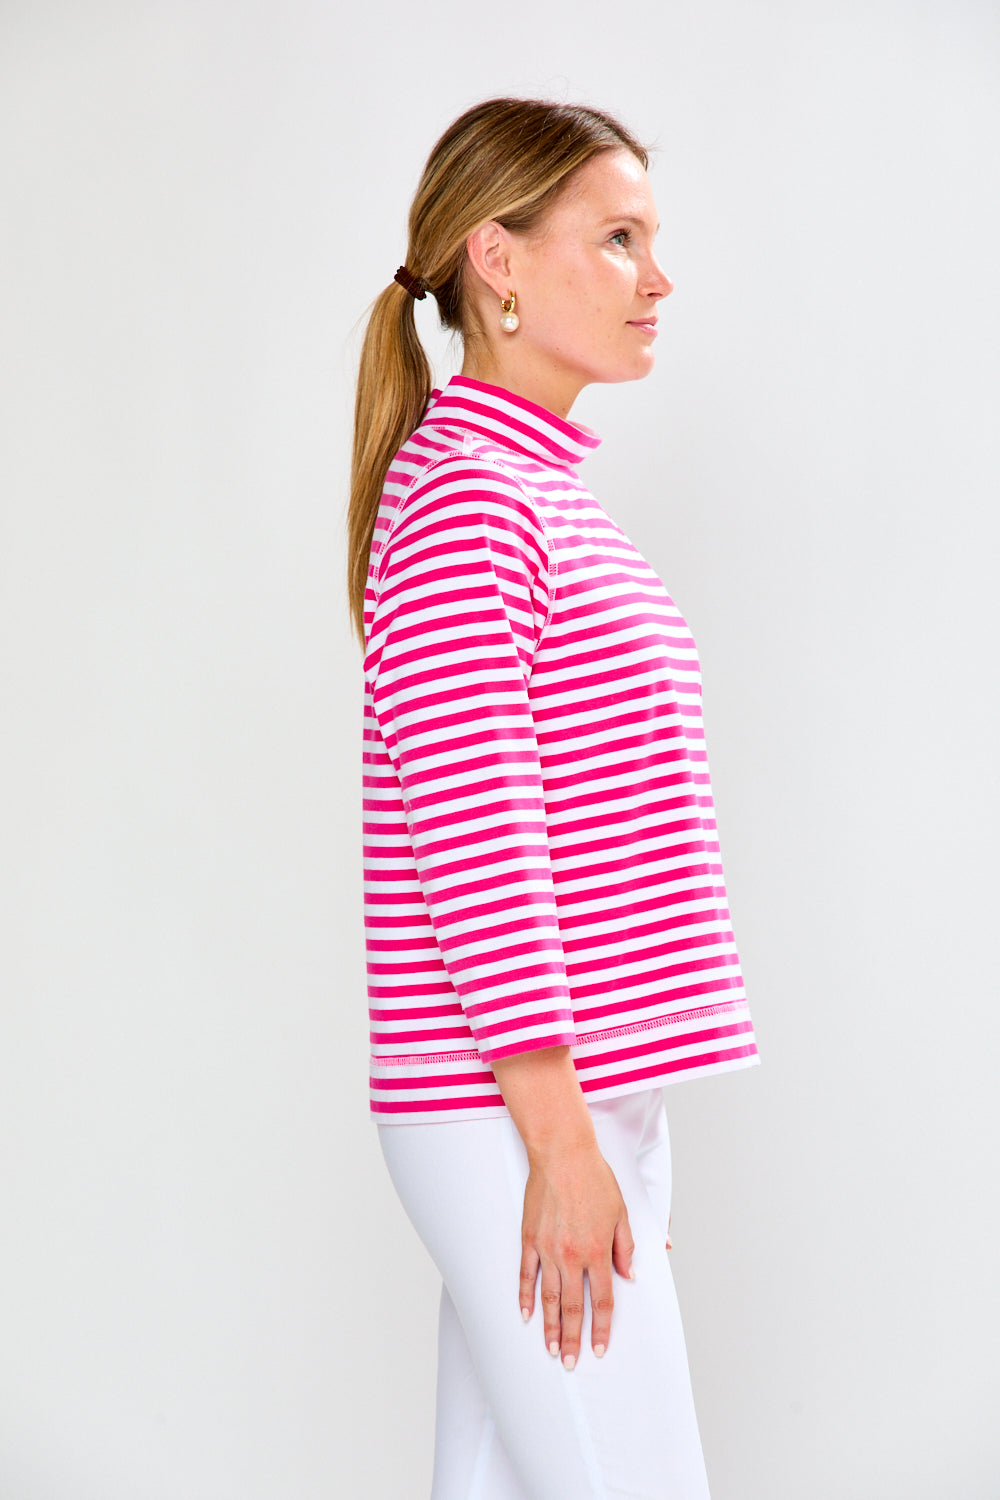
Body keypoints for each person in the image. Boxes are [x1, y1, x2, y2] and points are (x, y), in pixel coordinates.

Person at [347, 97, 760, 1500]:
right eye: (620, 238)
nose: (658, 279)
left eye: (655, 241)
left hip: (568, 1092)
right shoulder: (472, 500)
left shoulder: (535, 490)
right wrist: (560, 1134)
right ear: (498, 262)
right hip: (517, 1100)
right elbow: (476, 835)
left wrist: (587, 1122)